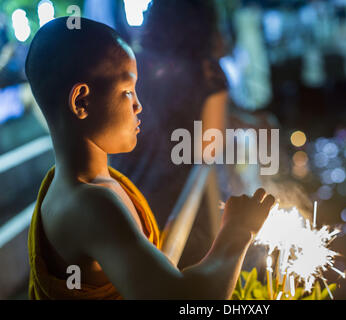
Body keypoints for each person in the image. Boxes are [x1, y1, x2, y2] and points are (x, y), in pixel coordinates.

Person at [25, 17, 274, 300]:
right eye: (127, 91)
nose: (138, 105)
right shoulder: (90, 205)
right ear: (81, 101)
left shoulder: (90, 185)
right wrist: (238, 231)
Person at [110, 0, 229, 268]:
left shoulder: (129, 66)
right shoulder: (208, 73)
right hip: (180, 209)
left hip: (125, 201)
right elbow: (208, 150)